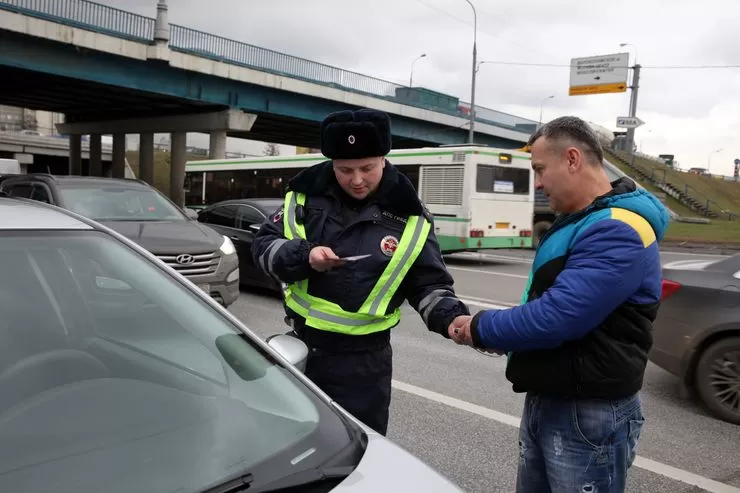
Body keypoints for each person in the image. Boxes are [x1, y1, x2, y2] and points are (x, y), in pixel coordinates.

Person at [448, 116, 670, 492]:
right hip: (556, 397)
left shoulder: (617, 228)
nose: (536, 183)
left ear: (571, 159)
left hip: (587, 411)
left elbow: (558, 316)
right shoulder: (583, 219)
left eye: (539, 170)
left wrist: (480, 327)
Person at [251, 108, 470, 435]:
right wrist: (305, 254)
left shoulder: (411, 217)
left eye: (367, 168)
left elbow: (429, 284)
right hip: (301, 348)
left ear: (383, 159)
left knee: (358, 450)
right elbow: (263, 247)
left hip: (364, 366)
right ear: (331, 165)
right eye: (345, 170)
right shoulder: (303, 198)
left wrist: (452, 317)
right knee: (296, 447)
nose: (357, 180)